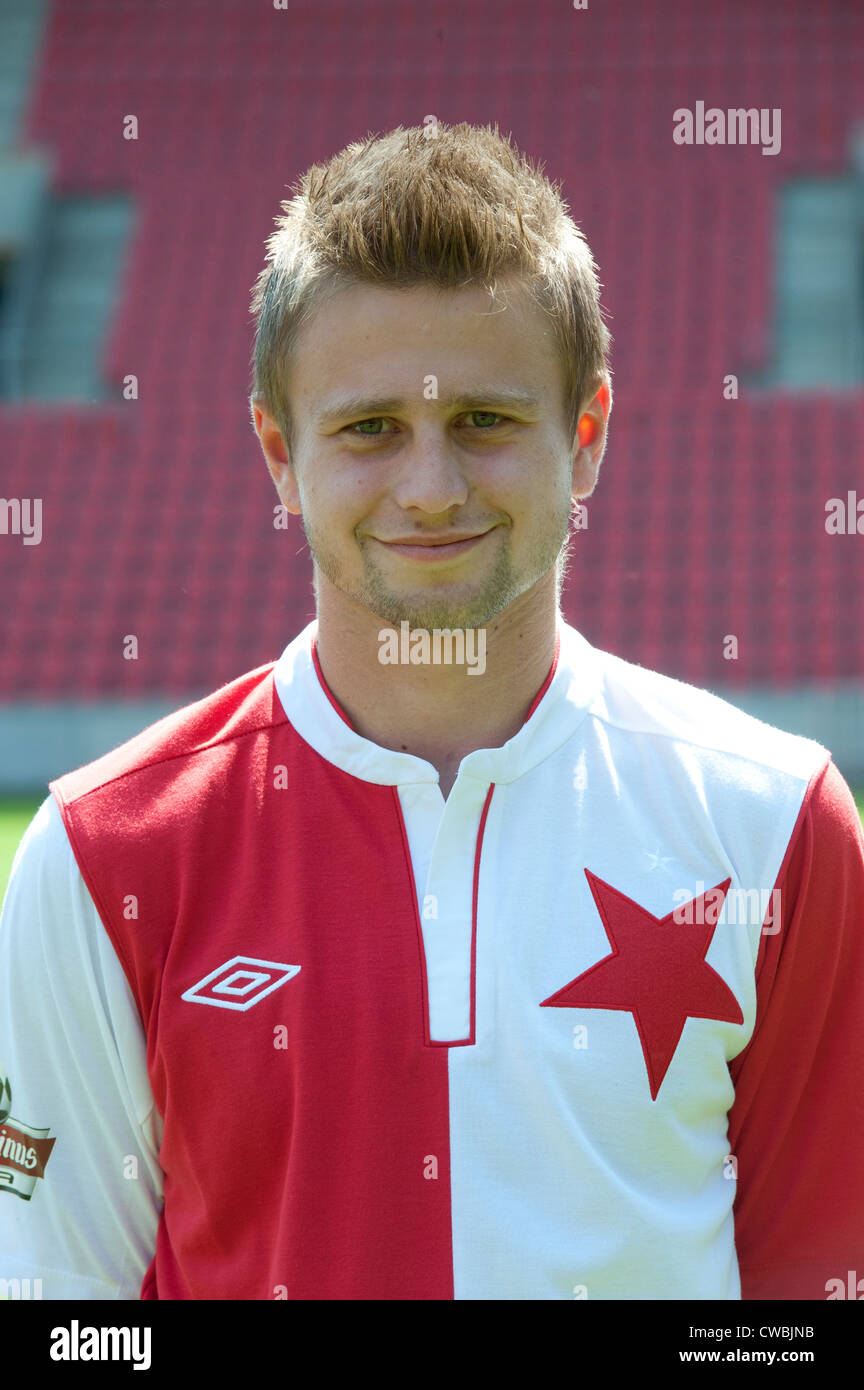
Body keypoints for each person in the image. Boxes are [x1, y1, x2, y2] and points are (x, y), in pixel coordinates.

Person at [1, 121, 862, 1301]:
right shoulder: (102, 857)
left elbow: (814, 1292)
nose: (432, 485)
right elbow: (60, 1312)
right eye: (369, 430)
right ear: (278, 453)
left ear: (589, 435)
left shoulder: (774, 822)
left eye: (485, 422)